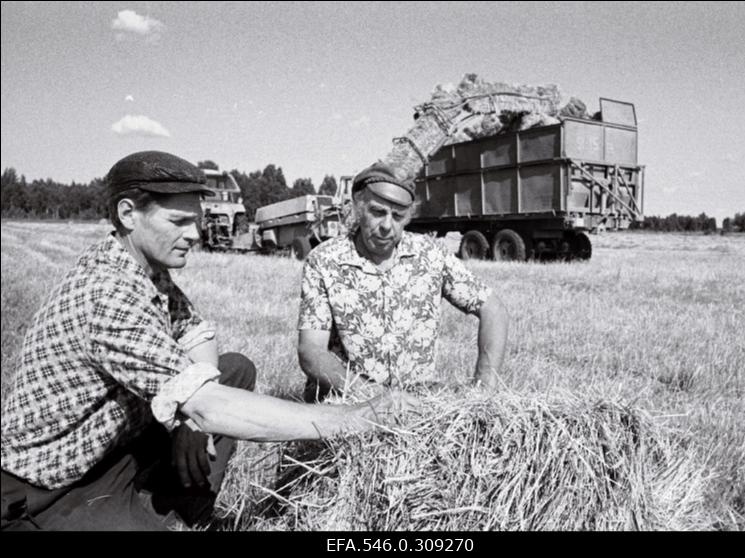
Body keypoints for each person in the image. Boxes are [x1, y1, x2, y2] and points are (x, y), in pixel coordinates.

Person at [0, 151, 415, 531]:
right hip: (47, 489)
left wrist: (188, 418)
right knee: (209, 400)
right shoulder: (106, 292)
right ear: (128, 214)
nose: (194, 234)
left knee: (234, 369)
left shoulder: (145, 269)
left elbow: (197, 334)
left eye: (194, 221)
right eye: (178, 222)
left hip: (108, 451)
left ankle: (179, 511)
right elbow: (208, 402)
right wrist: (354, 419)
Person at [297, 161, 509, 402]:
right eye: (377, 212)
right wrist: (372, 398)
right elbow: (311, 352)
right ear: (358, 207)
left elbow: (493, 309)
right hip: (345, 406)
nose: (387, 226)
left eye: (397, 216)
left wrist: (483, 391)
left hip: (416, 409)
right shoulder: (325, 261)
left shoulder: (429, 255)